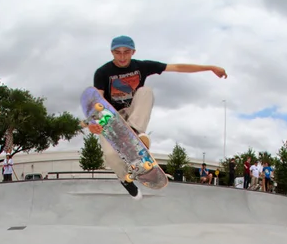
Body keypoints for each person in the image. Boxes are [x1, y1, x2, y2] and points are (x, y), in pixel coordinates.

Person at [82, 35, 227, 199]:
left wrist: (210, 67)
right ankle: (125, 179)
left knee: (146, 91)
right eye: (118, 53)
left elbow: (177, 67)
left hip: (132, 112)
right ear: (112, 53)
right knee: (110, 155)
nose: (122, 57)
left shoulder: (142, 66)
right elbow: (97, 100)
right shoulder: (103, 72)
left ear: (133, 52)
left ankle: (134, 133)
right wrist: (92, 123)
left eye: (126, 52)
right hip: (111, 117)